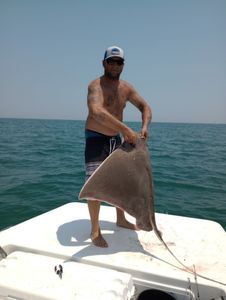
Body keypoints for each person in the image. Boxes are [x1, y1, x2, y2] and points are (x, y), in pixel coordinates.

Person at [84, 46, 152, 247]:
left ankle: (121, 219)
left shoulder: (126, 88)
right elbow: (96, 111)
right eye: (111, 61)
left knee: (121, 180)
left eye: (118, 62)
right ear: (103, 63)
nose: (114, 65)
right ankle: (95, 230)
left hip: (116, 139)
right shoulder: (95, 86)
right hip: (96, 138)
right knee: (94, 183)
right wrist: (126, 129)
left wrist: (144, 127)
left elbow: (145, 107)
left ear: (123, 65)